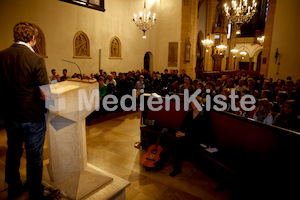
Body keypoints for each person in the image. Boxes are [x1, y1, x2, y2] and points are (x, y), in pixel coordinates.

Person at [0, 22, 57, 199]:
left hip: (10, 116)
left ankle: (14, 186)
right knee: (34, 157)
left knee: (13, 152)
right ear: (32, 39)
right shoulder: (36, 59)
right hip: (32, 117)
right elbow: (46, 93)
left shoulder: (2, 56)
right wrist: (51, 105)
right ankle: (35, 192)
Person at [168, 100, 214, 177]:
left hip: (198, 138)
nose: (192, 104)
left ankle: (176, 168)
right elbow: (183, 125)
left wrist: (185, 134)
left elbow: (202, 131)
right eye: (191, 103)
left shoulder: (205, 114)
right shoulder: (190, 112)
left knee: (177, 144)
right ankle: (175, 167)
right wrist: (179, 132)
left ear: (200, 103)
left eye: (194, 103)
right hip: (187, 136)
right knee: (175, 142)